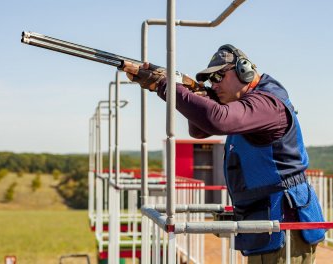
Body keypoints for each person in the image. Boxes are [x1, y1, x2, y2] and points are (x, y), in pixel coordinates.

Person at [126, 44, 325, 263]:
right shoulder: (247, 103)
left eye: (219, 76)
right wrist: (195, 93)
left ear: (244, 70)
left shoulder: (267, 103)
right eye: (211, 80)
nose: (215, 84)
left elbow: (216, 120)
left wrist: (165, 86)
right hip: (269, 224)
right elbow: (199, 129)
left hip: (284, 226)